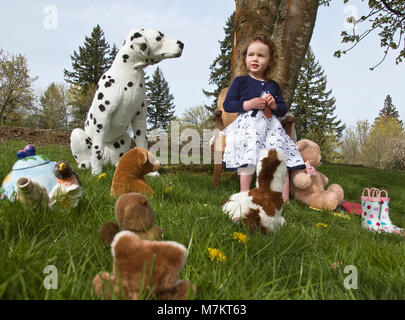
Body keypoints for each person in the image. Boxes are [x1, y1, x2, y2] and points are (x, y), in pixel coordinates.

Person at [223, 34, 306, 194]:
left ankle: (283, 198)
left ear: (269, 61)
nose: (255, 59)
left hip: (271, 127)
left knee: (279, 153)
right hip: (249, 126)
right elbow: (228, 105)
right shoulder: (241, 81)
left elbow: (282, 109)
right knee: (249, 151)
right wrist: (248, 104)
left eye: (260, 56)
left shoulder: (273, 85)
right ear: (245, 58)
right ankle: (244, 192)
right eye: (251, 54)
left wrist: (274, 104)